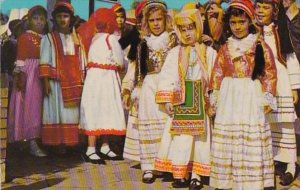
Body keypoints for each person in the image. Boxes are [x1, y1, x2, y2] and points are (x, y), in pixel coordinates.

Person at [209, 0, 277, 189]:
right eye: (233, 23)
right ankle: (227, 181)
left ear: (250, 21)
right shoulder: (225, 47)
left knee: (250, 133)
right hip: (229, 96)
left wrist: (268, 95)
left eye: (241, 22)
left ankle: (252, 181)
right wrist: (214, 95)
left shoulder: (259, 45)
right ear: (228, 24)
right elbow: (217, 72)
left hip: (250, 94)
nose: (237, 27)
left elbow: (269, 72)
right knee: (230, 136)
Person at [154, 6, 217, 189]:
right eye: (183, 29)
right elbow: (167, 76)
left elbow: (214, 77)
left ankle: (197, 174)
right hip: (181, 99)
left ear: (198, 27)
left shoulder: (208, 52)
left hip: (200, 100)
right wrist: (166, 99)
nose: (188, 33)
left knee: (200, 140)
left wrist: (212, 100)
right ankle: (182, 173)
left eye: (191, 28)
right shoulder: (175, 53)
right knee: (180, 139)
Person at [121, 0, 177, 183]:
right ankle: (148, 166)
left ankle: (166, 164)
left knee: (166, 125)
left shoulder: (173, 39)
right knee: (149, 123)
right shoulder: (142, 43)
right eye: (152, 20)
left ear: (165, 19)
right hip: (149, 86)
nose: (156, 24)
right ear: (146, 22)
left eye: (159, 19)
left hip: (168, 84)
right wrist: (135, 89)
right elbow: (139, 69)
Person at [255, 0, 300, 185]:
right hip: (260, 84)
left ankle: (291, 165)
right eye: (258, 7)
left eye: (266, 7)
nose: (261, 11)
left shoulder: (280, 31)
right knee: (267, 124)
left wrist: (294, 86)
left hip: (281, 83)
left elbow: (290, 58)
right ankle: (274, 161)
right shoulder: (252, 32)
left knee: (285, 125)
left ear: (274, 12)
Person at [79, 7, 126, 163]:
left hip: (94, 79)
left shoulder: (93, 38)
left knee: (97, 110)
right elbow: (119, 60)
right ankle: (93, 148)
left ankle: (100, 147)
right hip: (106, 79)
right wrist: (119, 65)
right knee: (104, 109)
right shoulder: (110, 39)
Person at [39, 2, 86, 153]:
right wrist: (45, 82)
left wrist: (83, 80)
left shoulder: (76, 38)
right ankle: (59, 145)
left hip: (73, 83)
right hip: (55, 83)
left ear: (71, 19)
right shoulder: (49, 38)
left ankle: (71, 143)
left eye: (65, 16)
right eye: (59, 17)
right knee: (57, 113)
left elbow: (82, 60)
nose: (62, 20)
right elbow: (44, 60)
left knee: (72, 114)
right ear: (54, 19)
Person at [8, 6, 48, 157]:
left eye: (42, 19)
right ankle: (30, 141)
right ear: (30, 21)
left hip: (43, 72)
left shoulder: (46, 38)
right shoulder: (25, 37)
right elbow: (20, 59)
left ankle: (35, 139)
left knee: (39, 108)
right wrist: (20, 76)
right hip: (30, 75)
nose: (39, 22)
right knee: (30, 107)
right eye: (35, 18)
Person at [121, 0, 147, 162]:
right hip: (141, 84)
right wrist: (127, 89)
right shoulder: (135, 39)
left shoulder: (168, 39)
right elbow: (132, 67)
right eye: (143, 18)